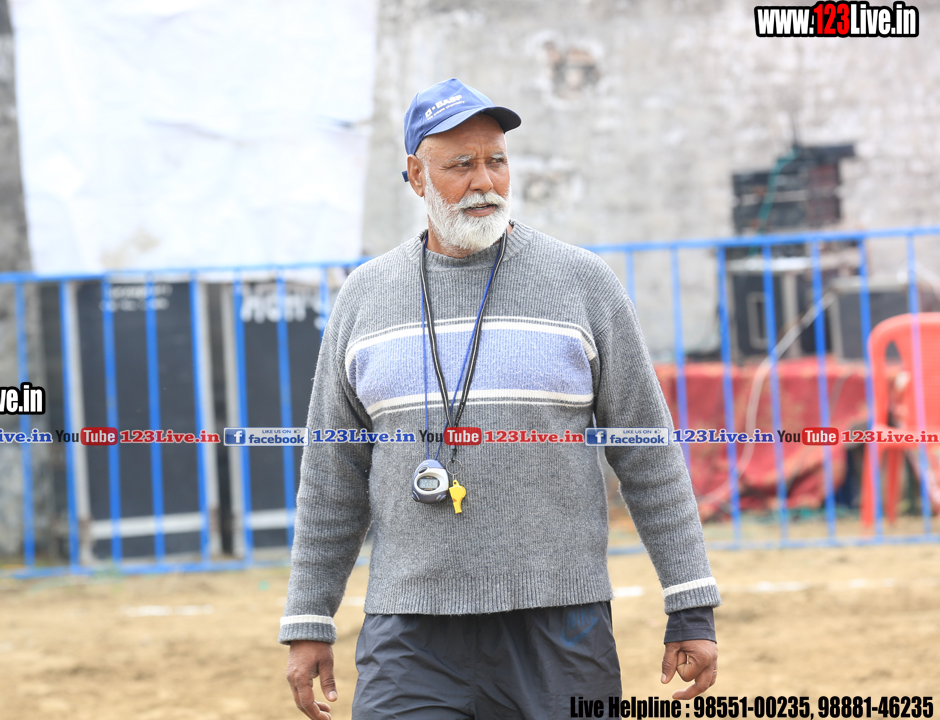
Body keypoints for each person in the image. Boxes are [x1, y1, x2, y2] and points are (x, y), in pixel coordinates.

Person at [281, 78, 720, 720]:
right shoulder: (364, 299)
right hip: (410, 633)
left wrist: (691, 603)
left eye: (496, 160)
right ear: (416, 175)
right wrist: (308, 618)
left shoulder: (583, 283)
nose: (484, 181)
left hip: (561, 626)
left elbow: (648, 452)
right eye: (460, 164)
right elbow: (331, 476)